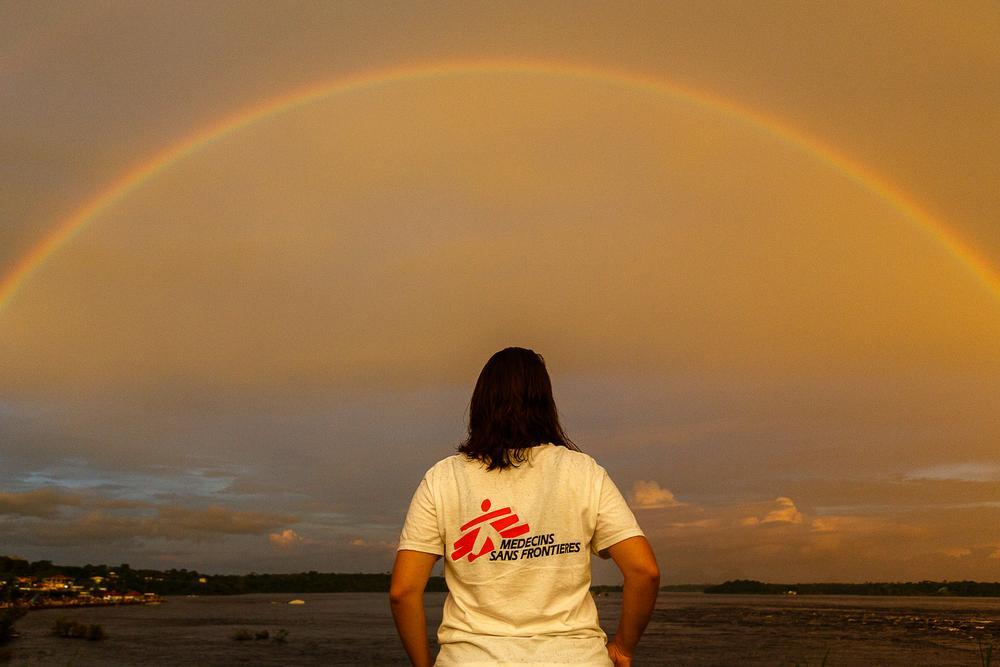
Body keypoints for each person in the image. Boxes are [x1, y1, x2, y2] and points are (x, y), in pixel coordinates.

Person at [390, 347, 660, 666]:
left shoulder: (443, 479)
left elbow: (403, 591)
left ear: (480, 403)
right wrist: (623, 648)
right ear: (545, 403)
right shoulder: (583, 472)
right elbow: (644, 571)